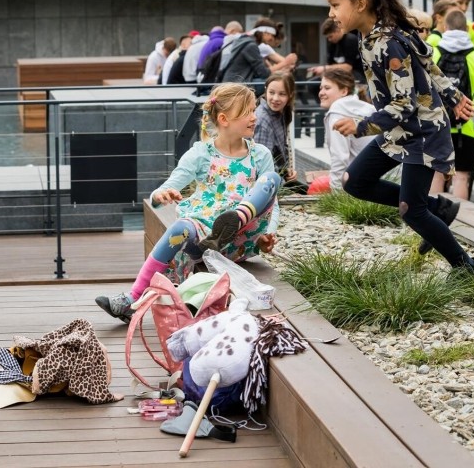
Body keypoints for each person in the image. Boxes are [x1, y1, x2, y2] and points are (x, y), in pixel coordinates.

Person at [324, 0, 474, 272]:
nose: (330, 13)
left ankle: (467, 267)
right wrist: (453, 96)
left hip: (422, 132)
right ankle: (439, 207)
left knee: (411, 210)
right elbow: (428, 66)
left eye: (334, 5)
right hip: (400, 130)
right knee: (353, 182)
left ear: (360, 3)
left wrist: (361, 125)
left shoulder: (390, 42)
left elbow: (404, 104)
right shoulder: (370, 38)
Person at [95, 83, 281, 323]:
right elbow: (166, 188)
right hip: (206, 232)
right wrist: (161, 196)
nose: (255, 117)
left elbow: (272, 203)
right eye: (248, 112)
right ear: (224, 119)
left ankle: (236, 218)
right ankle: (133, 297)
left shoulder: (260, 155)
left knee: (271, 180)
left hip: (243, 237)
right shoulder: (201, 153)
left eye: (254, 110)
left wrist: (269, 233)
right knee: (179, 229)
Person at [432, 9, 474, 200]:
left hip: (436, 125)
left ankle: (432, 218)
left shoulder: (433, 52)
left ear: (445, 27)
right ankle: (460, 222)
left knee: (437, 172)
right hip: (466, 126)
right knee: (462, 176)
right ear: (466, 28)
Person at [309, 68, 376, 193]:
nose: (321, 93)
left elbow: (340, 158)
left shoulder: (337, 111)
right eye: (320, 88)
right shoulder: (368, 108)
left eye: (327, 88)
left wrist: (337, 195)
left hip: (367, 186)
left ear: (344, 91)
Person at [253, 73, 307, 194]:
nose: (276, 98)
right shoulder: (262, 120)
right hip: (266, 187)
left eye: (282, 94)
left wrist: (287, 171)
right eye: (272, 92)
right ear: (266, 91)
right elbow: (261, 164)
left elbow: (281, 149)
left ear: (290, 95)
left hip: (279, 177)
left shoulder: (281, 113)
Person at [308, 18, 364, 84]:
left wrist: (324, 68)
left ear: (337, 30)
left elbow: (347, 68)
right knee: (312, 84)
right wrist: (320, 72)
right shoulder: (332, 45)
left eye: (330, 36)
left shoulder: (350, 40)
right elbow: (330, 65)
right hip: (339, 75)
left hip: (356, 74)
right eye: (328, 37)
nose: (329, 39)